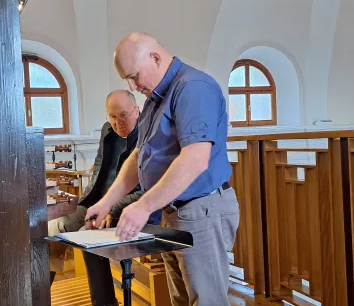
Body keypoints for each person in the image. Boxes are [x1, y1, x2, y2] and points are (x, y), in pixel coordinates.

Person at [85, 32, 240, 306]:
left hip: (201, 209)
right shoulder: (156, 98)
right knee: (181, 300)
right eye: (127, 80)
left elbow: (194, 159)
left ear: (155, 58)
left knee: (206, 301)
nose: (132, 86)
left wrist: (143, 207)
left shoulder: (193, 88)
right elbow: (139, 156)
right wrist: (107, 201)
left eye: (134, 76)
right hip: (174, 211)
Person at [47, 90, 162, 286]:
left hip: (129, 209)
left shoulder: (149, 133)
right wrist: (87, 203)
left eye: (124, 116)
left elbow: (148, 187)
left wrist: (112, 207)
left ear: (137, 111)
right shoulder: (107, 130)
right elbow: (99, 169)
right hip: (100, 202)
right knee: (52, 227)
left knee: (88, 234)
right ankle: (40, 296)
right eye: (113, 117)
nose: (118, 123)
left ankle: (104, 301)